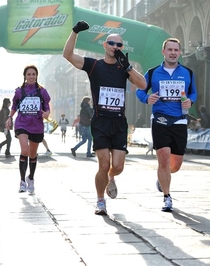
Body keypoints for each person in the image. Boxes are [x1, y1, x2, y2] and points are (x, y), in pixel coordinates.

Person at [63, 20, 147, 215]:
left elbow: (143, 85)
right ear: (104, 45)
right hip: (100, 121)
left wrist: (128, 67)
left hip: (119, 122)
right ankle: (100, 201)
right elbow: (68, 55)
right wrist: (75, 31)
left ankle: (111, 177)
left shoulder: (124, 68)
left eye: (119, 45)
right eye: (111, 43)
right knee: (103, 164)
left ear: (122, 48)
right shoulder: (94, 65)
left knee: (117, 166)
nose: (115, 47)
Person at [136, 37, 197, 212]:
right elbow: (140, 90)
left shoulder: (188, 73)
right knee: (163, 159)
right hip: (160, 119)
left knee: (175, 165)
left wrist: (190, 102)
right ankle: (167, 197)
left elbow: (193, 93)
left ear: (179, 52)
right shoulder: (153, 72)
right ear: (163, 52)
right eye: (169, 50)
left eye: (176, 50)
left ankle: (162, 178)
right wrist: (147, 98)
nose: (172, 53)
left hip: (179, 120)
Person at [5, 65, 51, 194]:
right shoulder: (19, 91)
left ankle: (30, 178)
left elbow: (47, 107)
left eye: (33, 74)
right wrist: (9, 117)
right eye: (29, 74)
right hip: (22, 124)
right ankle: (22, 182)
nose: (31, 76)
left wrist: (47, 113)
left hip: (36, 125)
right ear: (25, 76)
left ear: (37, 76)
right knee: (24, 150)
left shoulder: (42, 91)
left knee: (32, 154)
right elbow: (14, 106)